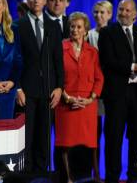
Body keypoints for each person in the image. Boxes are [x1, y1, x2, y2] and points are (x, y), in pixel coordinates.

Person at [98, 0, 137, 183]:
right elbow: (107, 61)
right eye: (121, 9)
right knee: (114, 138)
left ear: (135, 14)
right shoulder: (107, 32)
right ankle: (112, 178)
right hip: (116, 94)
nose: (123, 13)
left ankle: (135, 176)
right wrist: (134, 67)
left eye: (128, 10)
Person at [15, 0, 64, 176]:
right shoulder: (18, 26)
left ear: (45, 1)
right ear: (28, 0)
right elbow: (15, 60)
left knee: (44, 136)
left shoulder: (53, 26)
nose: (36, 1)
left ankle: (42, 174)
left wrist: (59, 87)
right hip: (26, 90)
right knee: (27, 136)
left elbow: (58, 60)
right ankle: (27, 174)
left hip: (48, 89)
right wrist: (17, 88)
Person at [55, 12, 104, 183]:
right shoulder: (61, 48)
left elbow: (99, 78)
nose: (74, 30)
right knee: (66, 144)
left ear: (85, 30)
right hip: (65, 103)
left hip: (87, 104)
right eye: (72, 26)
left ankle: (94, 177)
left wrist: (91, 99)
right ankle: (68, 178)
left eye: (78, 27)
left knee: (90, 143)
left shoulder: (92, 51)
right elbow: (55, 77)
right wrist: (67, 97)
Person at [86, 0, 113, 180]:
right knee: (94, 133)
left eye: (102, 12)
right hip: (94, 91)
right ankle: (95, 172)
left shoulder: (115, 33)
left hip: (113, 90)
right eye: (96, 12)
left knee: (113, 134)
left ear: (110, 15)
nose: (99, 16)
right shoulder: (88, 34)